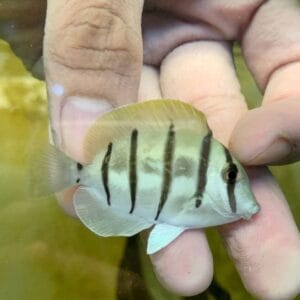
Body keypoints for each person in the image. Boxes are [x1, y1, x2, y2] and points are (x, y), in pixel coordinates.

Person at [2, 0, 300, 298]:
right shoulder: (206, 187)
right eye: (231, 176)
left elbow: (171, 222)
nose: (242, 193)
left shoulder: (209, 194)